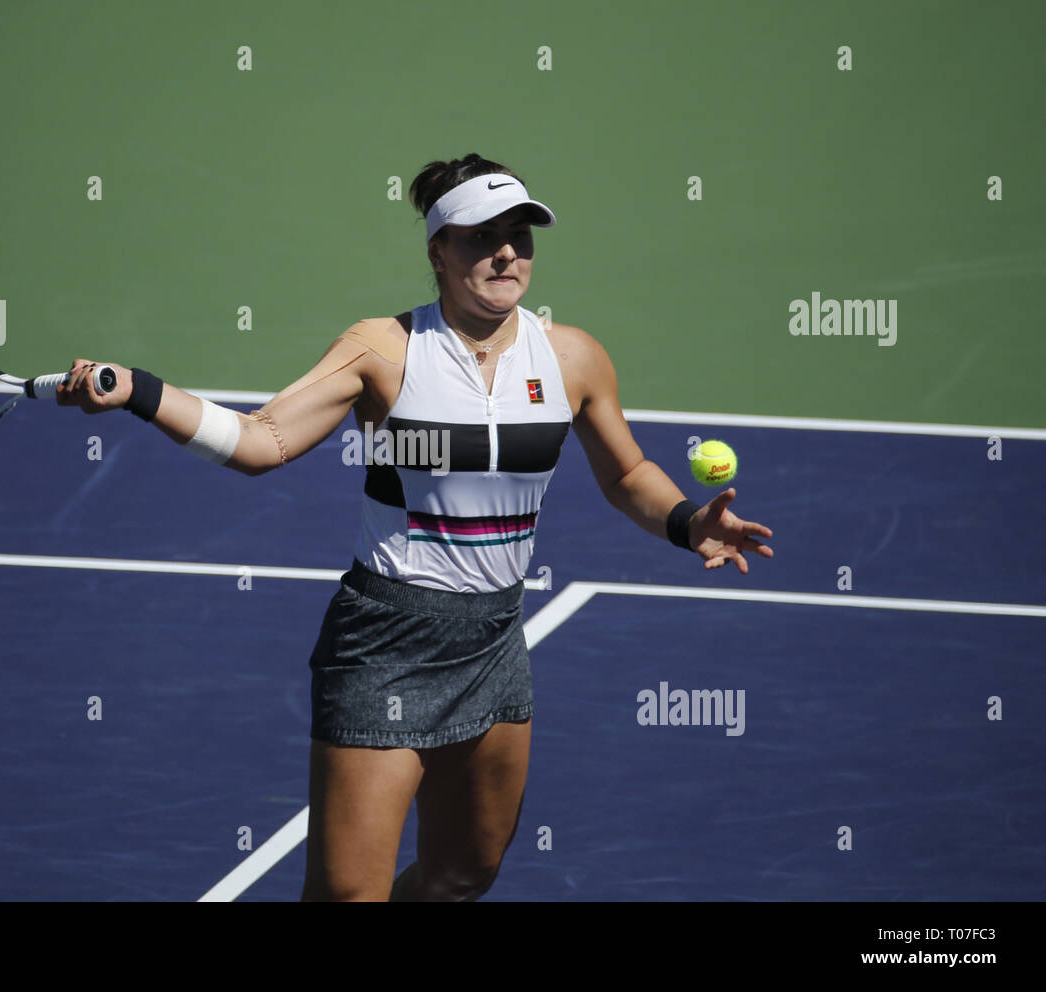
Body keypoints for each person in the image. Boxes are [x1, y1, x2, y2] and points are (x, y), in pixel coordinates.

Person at [57, 152, 775, 901]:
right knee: (348, 896)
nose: (506, 252)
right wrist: (140, 391)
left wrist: (690, 522)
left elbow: (627, 475)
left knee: (464, 875)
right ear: (437, 251)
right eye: (480, 236)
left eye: (520, 235)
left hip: (495, 643)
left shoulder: (572, 358)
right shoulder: (385, 350)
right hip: (385, 647)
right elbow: (260, 441)